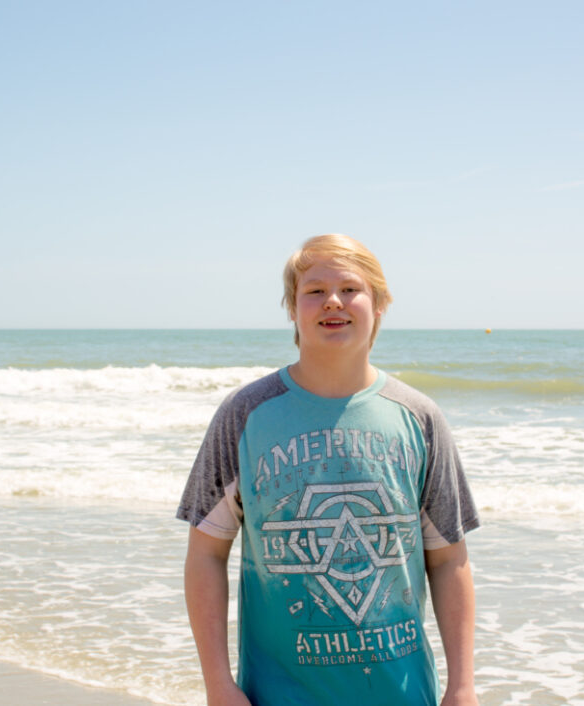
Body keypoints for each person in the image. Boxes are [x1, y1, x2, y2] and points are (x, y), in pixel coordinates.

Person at [177, 234, 481, 706]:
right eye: (314, 290)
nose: (333, 302)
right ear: (293, 308)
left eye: (351, 289)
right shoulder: (245, 414)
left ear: (379, 304)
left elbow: (448, 559)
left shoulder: (419, 417)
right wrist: (219, 686)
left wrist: (462, 687)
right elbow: (205, 554)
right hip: (276, 695)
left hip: (402, 694)